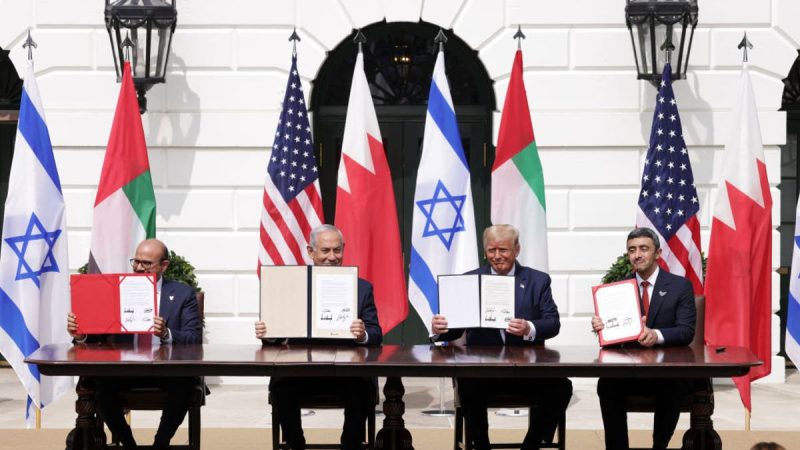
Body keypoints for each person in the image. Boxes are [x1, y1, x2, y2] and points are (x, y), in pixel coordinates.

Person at [431, 224, 573, 450]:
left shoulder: (537, 281)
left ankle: (532, 445)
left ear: (517, 250)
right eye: (491, 250)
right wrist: (441, 328)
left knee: (562, 388)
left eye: (503, 250)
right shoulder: (469, 280)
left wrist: (529, 328)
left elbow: (553, 323)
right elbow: (455, 329)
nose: (497, 256)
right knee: (468, 386)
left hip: (527, 371)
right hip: (483, 372)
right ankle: (481, 446)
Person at [255, 224, 382, 450]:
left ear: (343, 250)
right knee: (281, 387)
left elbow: (376, 333)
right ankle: (296, 444)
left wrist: (362, 334)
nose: (332, 257)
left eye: (337, 250)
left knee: (363, 388)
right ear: (310, 252)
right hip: (302, 371)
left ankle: (350, 445)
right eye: (325, 251)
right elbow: (274, 336)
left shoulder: (362, 288)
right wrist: (268, 333)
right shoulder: (291, 286)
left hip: (346, 373)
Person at [67, 239, 202, 449]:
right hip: (126, 367)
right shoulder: (116, 289)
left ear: (164, 266)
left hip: (166, 368)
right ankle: (128, 444)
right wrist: (82, 334)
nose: (138, 267)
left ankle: (161, 444)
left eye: (146, 263)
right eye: (136, 261)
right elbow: (98, 337)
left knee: (184, 384)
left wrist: (166, 333)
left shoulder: (182, 294)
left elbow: (194, 338)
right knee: (101, 386)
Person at [592, 227, 697, 450]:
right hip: (629, 371)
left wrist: (656, 335)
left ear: (657, 253)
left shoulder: (680, 286)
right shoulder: (617, 288)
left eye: (643, 249)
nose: (637, 255)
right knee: (607, 385)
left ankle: (659, 446)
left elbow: (686, 331)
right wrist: (601, 327)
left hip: (666, 371)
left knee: (672, 385)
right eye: (632, 250)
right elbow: (612, 336)